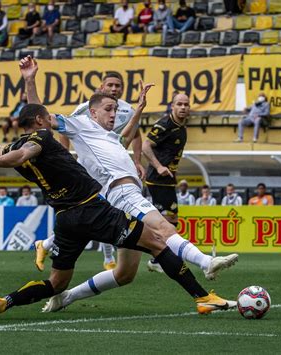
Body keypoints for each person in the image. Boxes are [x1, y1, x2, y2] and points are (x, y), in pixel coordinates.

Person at [0, 105, 237, 321]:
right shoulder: (40, 139)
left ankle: (6, 301)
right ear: (41, 120)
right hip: (93, 209)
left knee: (57, 283)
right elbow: (18, 155)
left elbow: (1, 152)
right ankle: (203, 297)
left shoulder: (19, 143)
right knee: (158, 242)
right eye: (47, 118)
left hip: (65, 220)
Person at [19, 57, 238, 313]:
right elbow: (39, 115)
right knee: (163, 228)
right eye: (109, 109)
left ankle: (65, 297)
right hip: (121, 192)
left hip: (116, 198)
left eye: (115, 110)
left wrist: (139, 110)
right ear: (93, 112)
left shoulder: (107, 135)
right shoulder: (79, 124)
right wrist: (30, 79)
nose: (114, 114)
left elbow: (125, 136)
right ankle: (206, 262)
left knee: (125, 273)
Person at [63, 71, 147, 270]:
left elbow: (135, 136)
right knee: (96, 211)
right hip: (90, 167)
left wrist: (137, 160)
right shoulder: (85, 108)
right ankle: (106, 256)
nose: (114, 89)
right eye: (110, 85)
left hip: (115, 167)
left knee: (108, 210)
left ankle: (109, 258)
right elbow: (65, 129)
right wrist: (66, 157)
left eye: (118, 86)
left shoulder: (127, 110)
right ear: (102, 87)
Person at [143, 93, 190, 272]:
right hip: (158, 179)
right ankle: (157, 259)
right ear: (172, 106)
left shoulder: (181, 126)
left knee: (169, 220)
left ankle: (156, 258)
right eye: (179, 104)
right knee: (168, 220)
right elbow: (146, 145)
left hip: (168, 180)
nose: (183, 107)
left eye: (186, 104)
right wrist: (159, 166)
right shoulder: (164, 124)